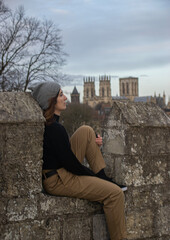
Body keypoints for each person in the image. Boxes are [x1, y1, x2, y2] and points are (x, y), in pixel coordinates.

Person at [30, 81, 127, 240]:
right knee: (115, 194)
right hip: (58, 179)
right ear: (51, 101)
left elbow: (64, 155)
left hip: (60, 172)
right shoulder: (55, 129)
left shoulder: (52, 124)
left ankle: (104, 177)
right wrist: (95, 179)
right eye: (61, 95)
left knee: (86, 131)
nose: (66, 97)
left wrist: (92, 144)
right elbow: (72, 166)